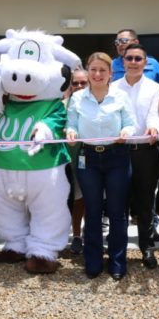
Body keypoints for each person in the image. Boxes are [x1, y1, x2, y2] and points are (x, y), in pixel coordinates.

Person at [67, 52, 136, 280]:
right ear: (88, 71)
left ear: (110, 73)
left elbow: (131, 124)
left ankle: (117, 261)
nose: (97, 74)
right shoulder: (78, 98)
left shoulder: (120, 96)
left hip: (117, 156)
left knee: (117, 212)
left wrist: (126, 131)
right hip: (88, 158)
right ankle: (93, 261)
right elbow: (71, 124)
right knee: (93, 210)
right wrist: (71, 132)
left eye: (102, 70)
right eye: (93, 69)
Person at [111, 44, 159, 268]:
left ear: (145, 63)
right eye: (129, 58)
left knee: (145, 202)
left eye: (137, 58)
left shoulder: (154, 88)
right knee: (118, 202)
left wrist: (154, 128)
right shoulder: (112, 88)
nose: (133, 62)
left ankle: (147, 247)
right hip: (119, 151)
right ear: (123, 62)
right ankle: (118, 248)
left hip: (145, 152)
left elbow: (154, 115)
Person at [64, 69, 88, 254]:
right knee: (76, 199)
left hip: (92, 157)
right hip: (69, 159)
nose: (79, 86)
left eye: (83, 83)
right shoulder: (62, 105)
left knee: (91, 199)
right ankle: (77, 235)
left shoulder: (97, 102)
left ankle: (89, 233)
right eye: (75, 83)